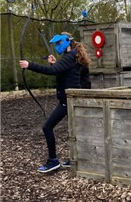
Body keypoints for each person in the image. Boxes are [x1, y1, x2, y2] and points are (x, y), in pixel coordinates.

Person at [19, 32, 91, 173]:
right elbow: (64, 72)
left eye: (59, 43)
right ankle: (76, 158)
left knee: (47, 127)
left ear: (66, 42)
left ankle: (53, 161)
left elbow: (51, 71)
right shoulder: (73, 55)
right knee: (75, 129)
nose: (57, 46)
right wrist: (56, 64)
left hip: (68, 100)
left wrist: (29, 65)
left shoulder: (70, 56)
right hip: (72, 99)